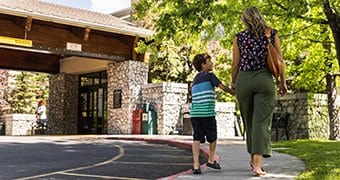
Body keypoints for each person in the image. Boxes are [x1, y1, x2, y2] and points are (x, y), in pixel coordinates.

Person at [231, 6, 288, 177]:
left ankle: (253, 160)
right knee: (261, 122)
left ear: (245, 20)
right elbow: (279, 61)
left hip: (244, 81)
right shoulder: (272, 34)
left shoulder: (239, 38)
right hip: (265, 80)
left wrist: (233, 82)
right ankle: (257, 165)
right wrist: (282, 82)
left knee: (249, 122)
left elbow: (235, 65)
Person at [190, 53, 235, 174]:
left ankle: (195, 165)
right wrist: (233, 92)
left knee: (196, 138)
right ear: (203, 65)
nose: (212, 63)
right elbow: (222, 87)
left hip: (195, 114)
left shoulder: (195, 80)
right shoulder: (210, 76)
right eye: (209, 61)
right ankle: (210, 159)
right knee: (212, 137)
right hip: (207, 113)